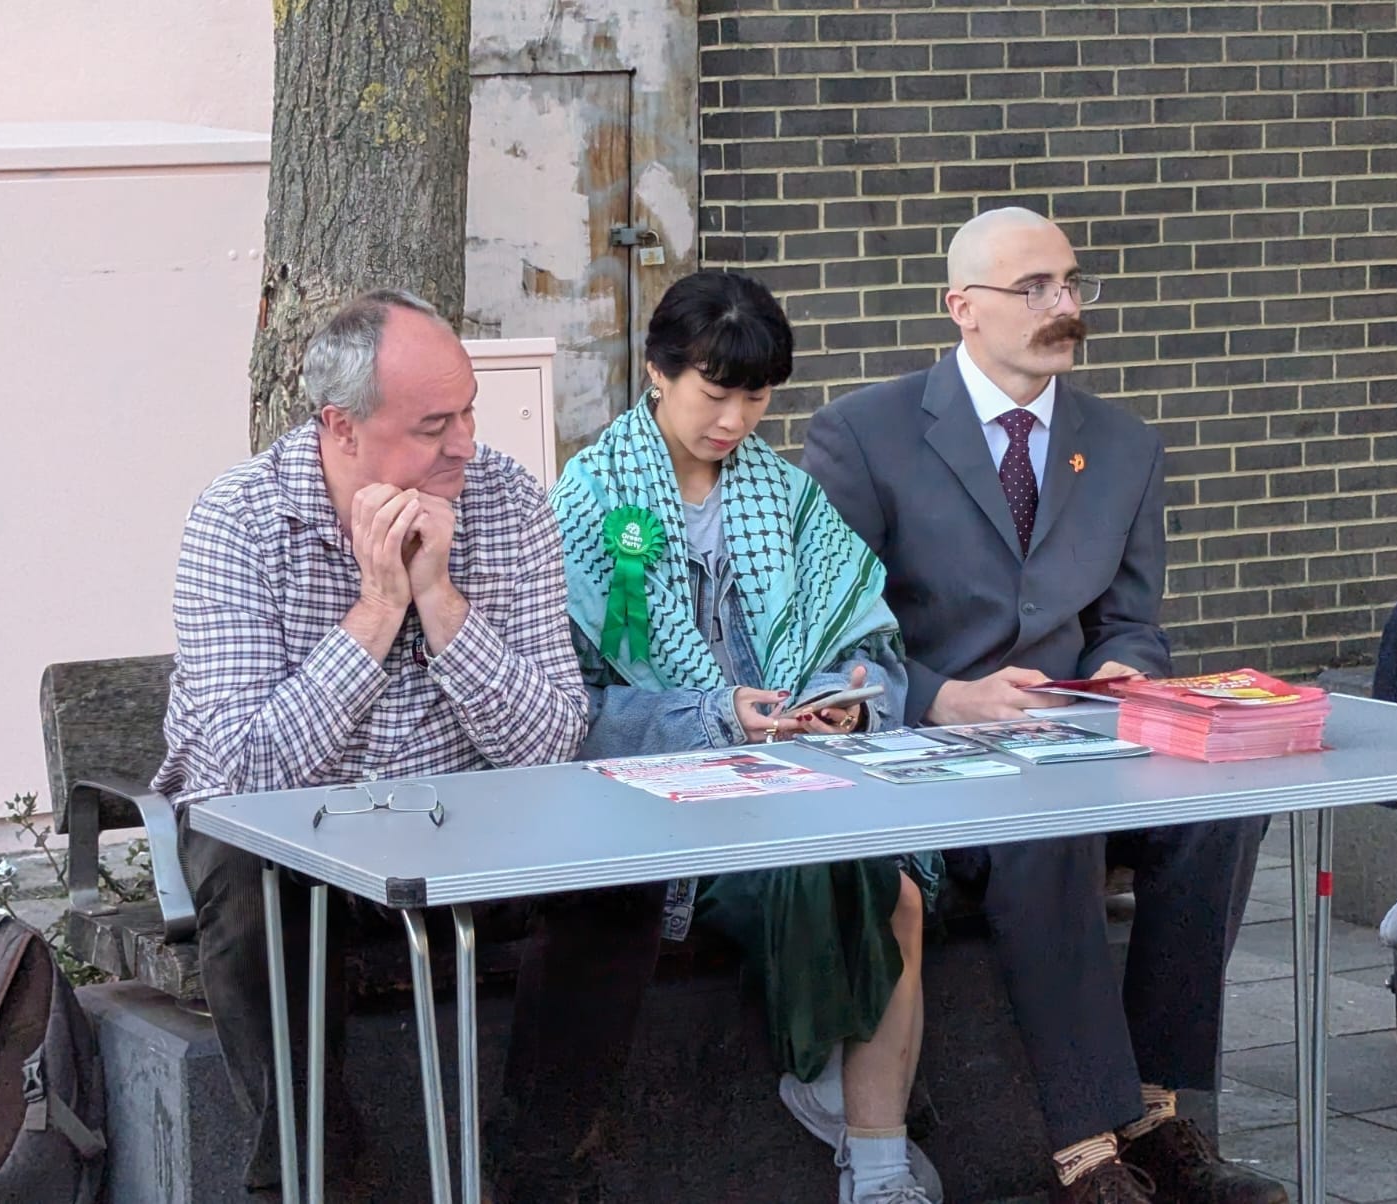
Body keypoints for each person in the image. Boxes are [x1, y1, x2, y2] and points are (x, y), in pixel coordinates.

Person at [801, 209, 1281, 1204]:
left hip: (1078, 739)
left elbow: (1131, 623)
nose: (1063, 305)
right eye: (1034, 289)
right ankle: (1083, 1150)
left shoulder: (1126, 445)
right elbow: (827, 639)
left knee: (1222, 809)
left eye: (1069, 284)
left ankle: (1155, 1111)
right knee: (1046, 827)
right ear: (962, 307)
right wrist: (942, 695)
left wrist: (1124, 669)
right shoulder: (863, 435)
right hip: (933, 754)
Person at [153, 289, 663, 1202]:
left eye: (469, 411)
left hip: (472, 831)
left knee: (619, 865)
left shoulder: (505, 500)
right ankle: (316, 1176)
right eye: (434, 426)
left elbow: (554, 736)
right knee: (243, 869)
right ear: (342, 426)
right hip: (303, 842)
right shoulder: (240, 520)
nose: (465, 443)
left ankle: (542, 1169)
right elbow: (238, 775)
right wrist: (379, 609)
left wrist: (441, 602)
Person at [549, 269, 944, 1204]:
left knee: (893, 884)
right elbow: (570, 709)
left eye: (756, 397)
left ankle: (874, 1159)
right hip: (668, 799)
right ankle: (847, 1108)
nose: (733, 419)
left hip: (801, 766)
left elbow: (861, 640)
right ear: (657, 371)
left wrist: (844, 701)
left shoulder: (789, 497)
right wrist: (716, 716)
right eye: (714, 391)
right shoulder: (588, 503)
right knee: (855, 875)